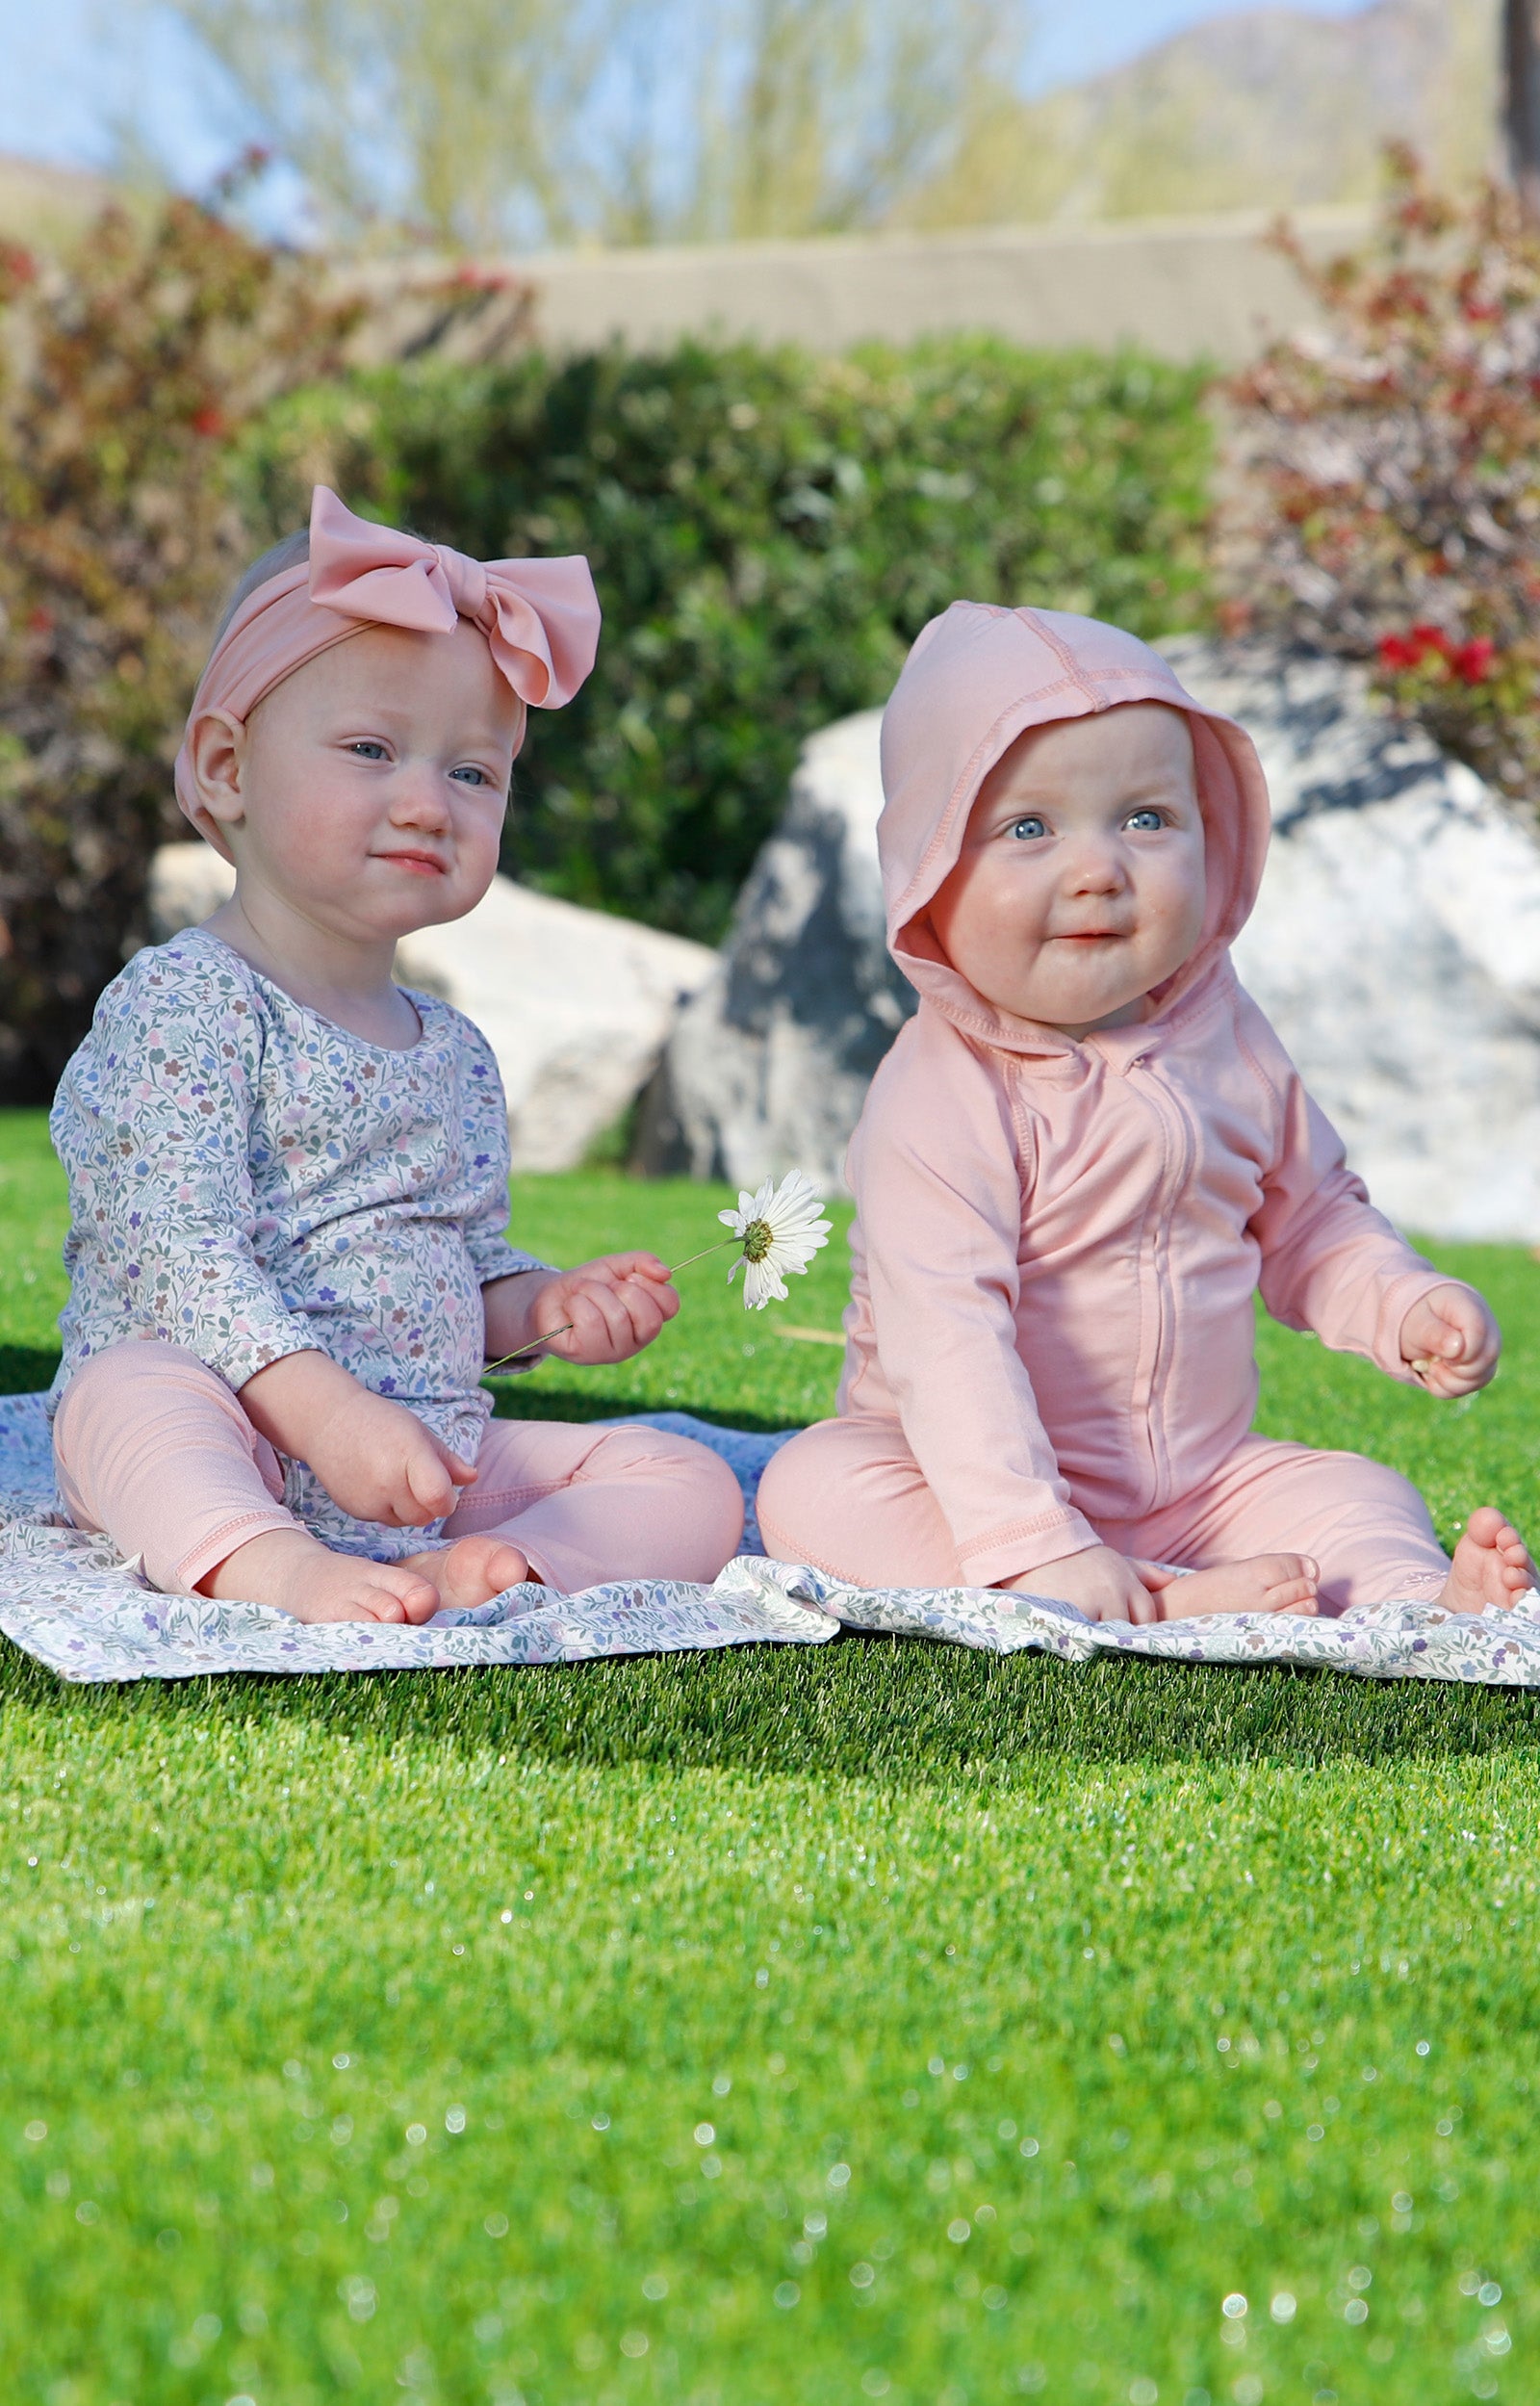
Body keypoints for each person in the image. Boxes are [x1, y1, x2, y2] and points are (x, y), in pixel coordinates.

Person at [47, 486, 743, 1624]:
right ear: (227, 768)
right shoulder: (187, 1003)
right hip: (231, 1420)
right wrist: (322, 1415)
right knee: (130, 1401)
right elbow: (176, 1251)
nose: (428, 802)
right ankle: (271, 1566)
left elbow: (460, 1261)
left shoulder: (455, 1051)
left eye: (473, 773)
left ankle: (486, 1574)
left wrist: (548, 1306)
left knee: (685, 1482)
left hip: (419, 1452)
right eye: (372, 749)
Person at [757, 604, 1533, 1621]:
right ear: (929, 873)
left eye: (1145, 819)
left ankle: (1417, 1600)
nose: (1097, 870)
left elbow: (1308, 1216)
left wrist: (1397, 1300)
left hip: (1199, 1489)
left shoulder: (1226, 1037)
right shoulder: (938, 1094)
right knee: (815, 1491)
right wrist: (1034, 1538)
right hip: (958, 1485)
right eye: (1028, 829)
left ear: (1211, 835)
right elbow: (946, 1338)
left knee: (1354, 1492)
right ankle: (1139, 1604)